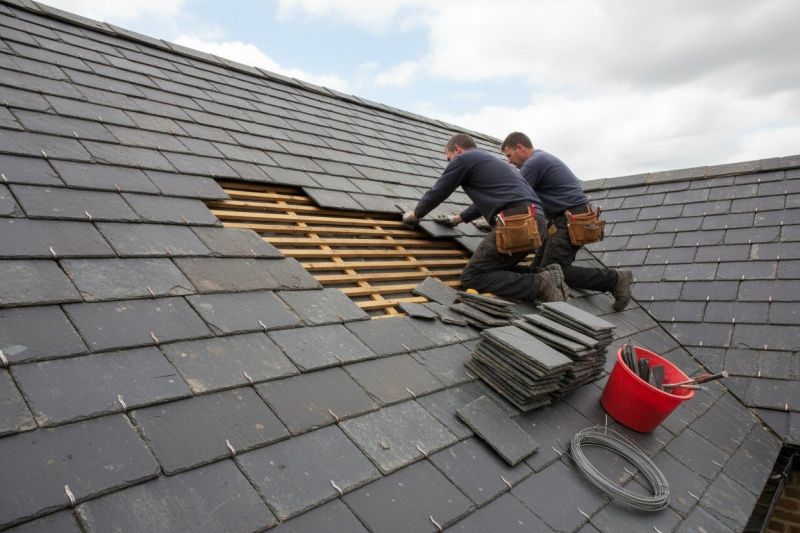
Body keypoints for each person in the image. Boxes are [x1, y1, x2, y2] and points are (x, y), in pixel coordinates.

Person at [403, 133, 567, 303]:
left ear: (458, 150)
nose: (449, 163)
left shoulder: (463, 159)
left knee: (473, 276)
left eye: (449, 158)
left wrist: (416, 215)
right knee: (499, 267)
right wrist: (457, 219)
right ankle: (549, 276)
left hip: (516, 222)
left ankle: (540, 283)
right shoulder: (487, 161)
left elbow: (440, 190)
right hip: (535, 222)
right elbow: (489, 202)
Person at [500, 131, 632, 312]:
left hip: (570, 221)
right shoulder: (542, 158)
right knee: (538, 269)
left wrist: (497, 219)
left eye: (509, 155)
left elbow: (515, 194)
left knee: (554, 272)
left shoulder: (534, 162)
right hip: (567, 220)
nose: (509, 161)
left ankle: (615, 279)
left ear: (520, 148)